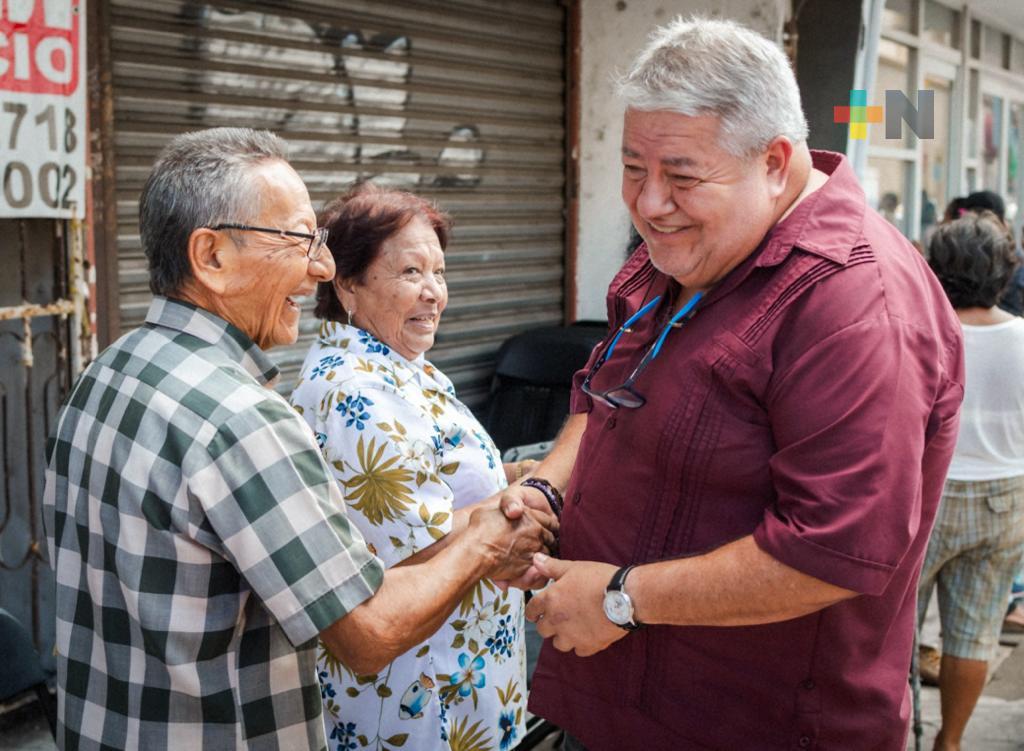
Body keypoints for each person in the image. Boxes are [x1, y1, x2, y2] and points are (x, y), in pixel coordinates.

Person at [507, 17, 965, 749]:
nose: (649, 204)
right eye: (633, 168)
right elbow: (603, 399)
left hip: (748, 723)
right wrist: (546, 492)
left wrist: (622, 600)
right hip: (616, 703)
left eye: (682, 177)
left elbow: (834, 548)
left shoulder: (853, 302)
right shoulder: (693, 244)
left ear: (776, 163)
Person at [41, 128, 554, 750]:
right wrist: (488, 536)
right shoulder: (239, 417)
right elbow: (368, 636)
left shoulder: (111, 369)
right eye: (298, 239)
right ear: (211, 257)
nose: (322, 265)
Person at [290, 183, 533, 750]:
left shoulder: (402, 367)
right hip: (419, 697)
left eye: (439, 273)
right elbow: (419, 545)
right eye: (410, 274)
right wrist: (521, 506)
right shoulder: (356, 394)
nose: (433, 293)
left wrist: (513, 478)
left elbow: (436, 487)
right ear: (347, 283)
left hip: (462, 673)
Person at [916, 212, 1024, 751]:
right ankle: (950, 741)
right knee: (976, 632)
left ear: (936, 269)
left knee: (892, 628)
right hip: (1005, 497)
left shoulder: (924, 334)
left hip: (925, 494)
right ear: (1007, 270)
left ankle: (892, 728)